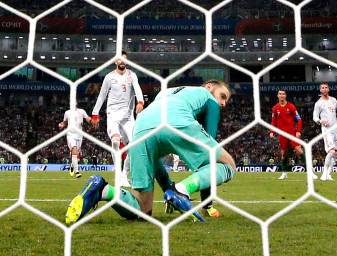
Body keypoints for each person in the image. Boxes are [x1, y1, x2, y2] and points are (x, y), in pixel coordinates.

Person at [65, 81, 236, 225]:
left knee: (142, 211)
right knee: (229, 164)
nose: (223, 103)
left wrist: (169, 189)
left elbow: (155, 163)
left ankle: (102, 190)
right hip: (176, 120)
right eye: (222, 96)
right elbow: (211, 151)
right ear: (209, 86)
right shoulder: (205, 95)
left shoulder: (166, 93)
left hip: (141, 127)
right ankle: (183, 189)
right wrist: (204, 203)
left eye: (226, 101)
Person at [91, 51, 144, 187]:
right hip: (113, 115)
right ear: (115, 62)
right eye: (120, 60)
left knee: (134, 145)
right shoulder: (109, 77)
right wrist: (95, 114)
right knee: (115, 140)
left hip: (127, 117)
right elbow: (102, 96)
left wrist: (140, 102)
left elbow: (137, 89)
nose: (122, 62)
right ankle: (117, 172)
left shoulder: (132, 75)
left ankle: (124, 175)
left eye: (124, 60)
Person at [269, 89, 304, 180]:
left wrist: (298, 131)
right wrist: (272, 132)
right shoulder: (275, 108)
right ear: (277, 95)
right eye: (280, 94)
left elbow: (299, 119)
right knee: (284, 154)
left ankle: (311, 171)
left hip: (292, 133)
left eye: (283, 94)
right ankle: (284, 173)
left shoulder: (291, 106)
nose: (281, 95)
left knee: (299, 150)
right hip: (282, 135)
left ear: (285, 96)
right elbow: (273, 121)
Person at [313, 82, 337, 181]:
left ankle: (329, 174)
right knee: (331, 151)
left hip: (336, 129)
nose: (325, 89)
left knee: (336, 153)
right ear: (320, 90)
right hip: (327, 130)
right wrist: (320, 121)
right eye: (322, 88)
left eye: (326, 87)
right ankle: (324, 173)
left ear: (328, 89)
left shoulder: (334, 100)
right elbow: (314, 117)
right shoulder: (318, 103)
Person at [58, 107, 91, 178]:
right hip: (70, 135)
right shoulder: (67, 112)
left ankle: (72, 166)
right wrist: (61, 125)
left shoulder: (82, 111)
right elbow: (65, 122)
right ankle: (77, 172)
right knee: (74, 151)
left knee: (77, 156)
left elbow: (87, 118)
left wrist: (91, 120)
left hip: (79, 136)